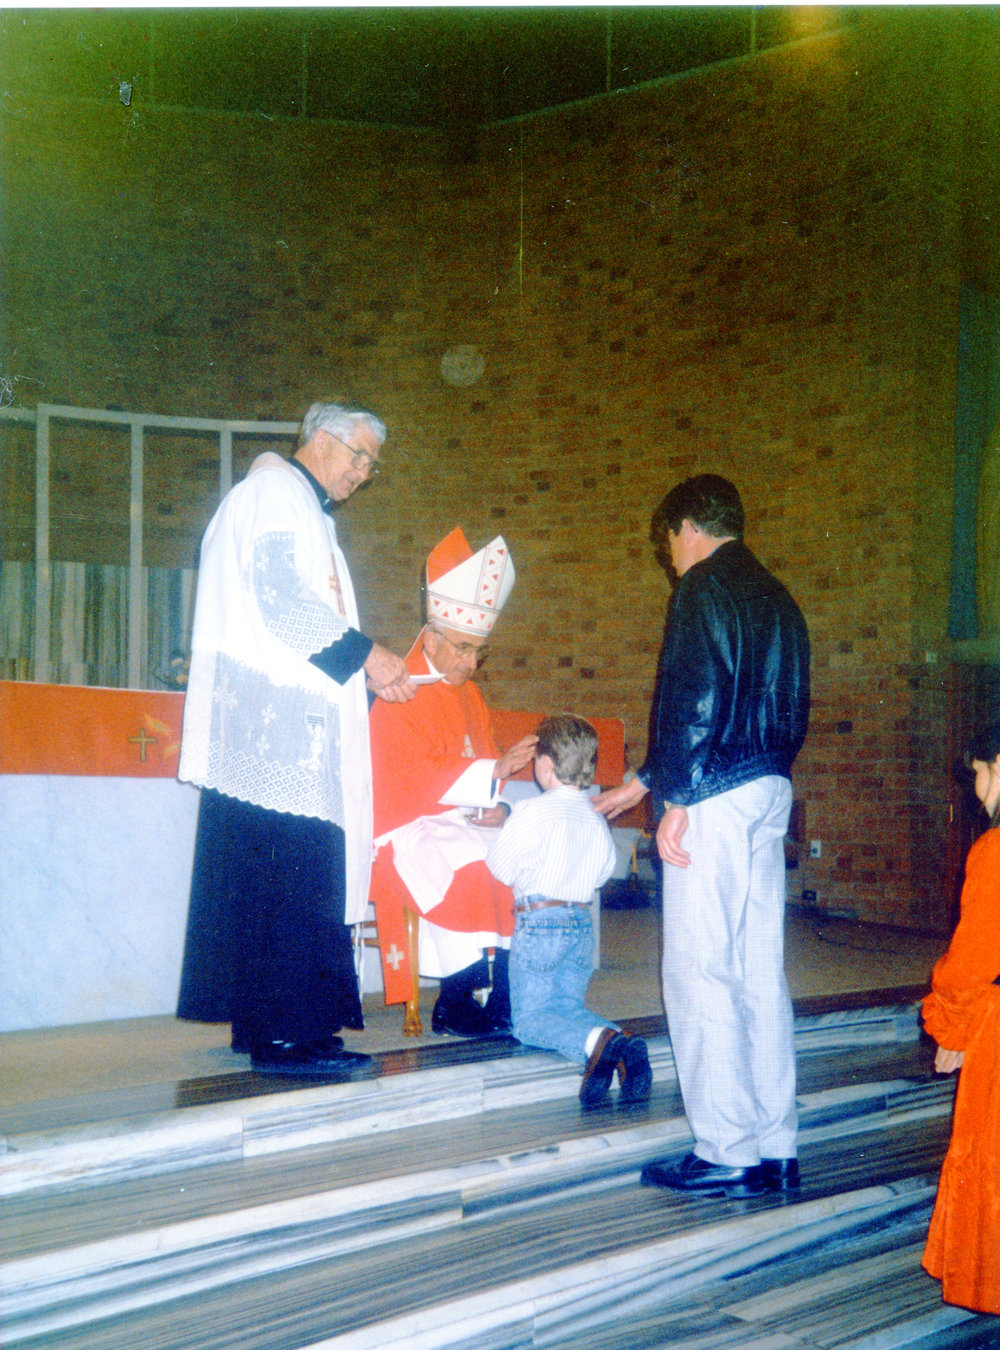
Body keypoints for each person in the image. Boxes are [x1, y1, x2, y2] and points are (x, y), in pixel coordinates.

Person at [176, 400, 415, 1075]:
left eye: (372, 462)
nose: (363, 472)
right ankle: (288, 1037)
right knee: (292, 878)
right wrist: (368, 658)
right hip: (278, 734)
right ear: (318, 438)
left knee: (269, 880)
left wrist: (368, 675)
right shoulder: (275, 493)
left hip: (281, 732)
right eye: (357, 454)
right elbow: (280, 599)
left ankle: (270, 1028)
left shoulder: (300, 509)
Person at [595, 473, 810, 1197]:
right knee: (756, 970)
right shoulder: (779, 596)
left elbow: (695, 696)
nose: (671, 559)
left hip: (712, 793)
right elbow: (761, 704)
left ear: (687, 527)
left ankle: (724, 1149)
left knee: (697, 970)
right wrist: (651, 776)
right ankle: (776, 1143)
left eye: (669, 544)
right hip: (769, 787)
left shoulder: (701, 588)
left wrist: (678, 794)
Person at [369, 527, 537, 1037]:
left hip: (460, 817)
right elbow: (403, 777)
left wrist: (499, 806)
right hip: (408, 825)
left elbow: (488, 765)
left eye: (478, 652)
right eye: (464, 649)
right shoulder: (399, 688)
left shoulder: (469, 694)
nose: (470, 663)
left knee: (519, 858)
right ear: (433, 638)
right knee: (467, 863)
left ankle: (506, 993)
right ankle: (456, 1000)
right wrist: (489, 774)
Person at [487, 714, 652, 1106]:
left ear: (544, 766)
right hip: (580, 924)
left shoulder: (530, 811)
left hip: (539, 922)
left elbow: (500, 867)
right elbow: (603, 873)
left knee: (529, 1022)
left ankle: (604, 1041)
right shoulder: (595, 816)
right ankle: (621, 1044)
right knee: (566, 1006)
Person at [921, 722, 1000, 1314]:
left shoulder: (995, 852)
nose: (975, 785)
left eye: (978, 771)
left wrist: (953, 1027)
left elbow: (975, 957)